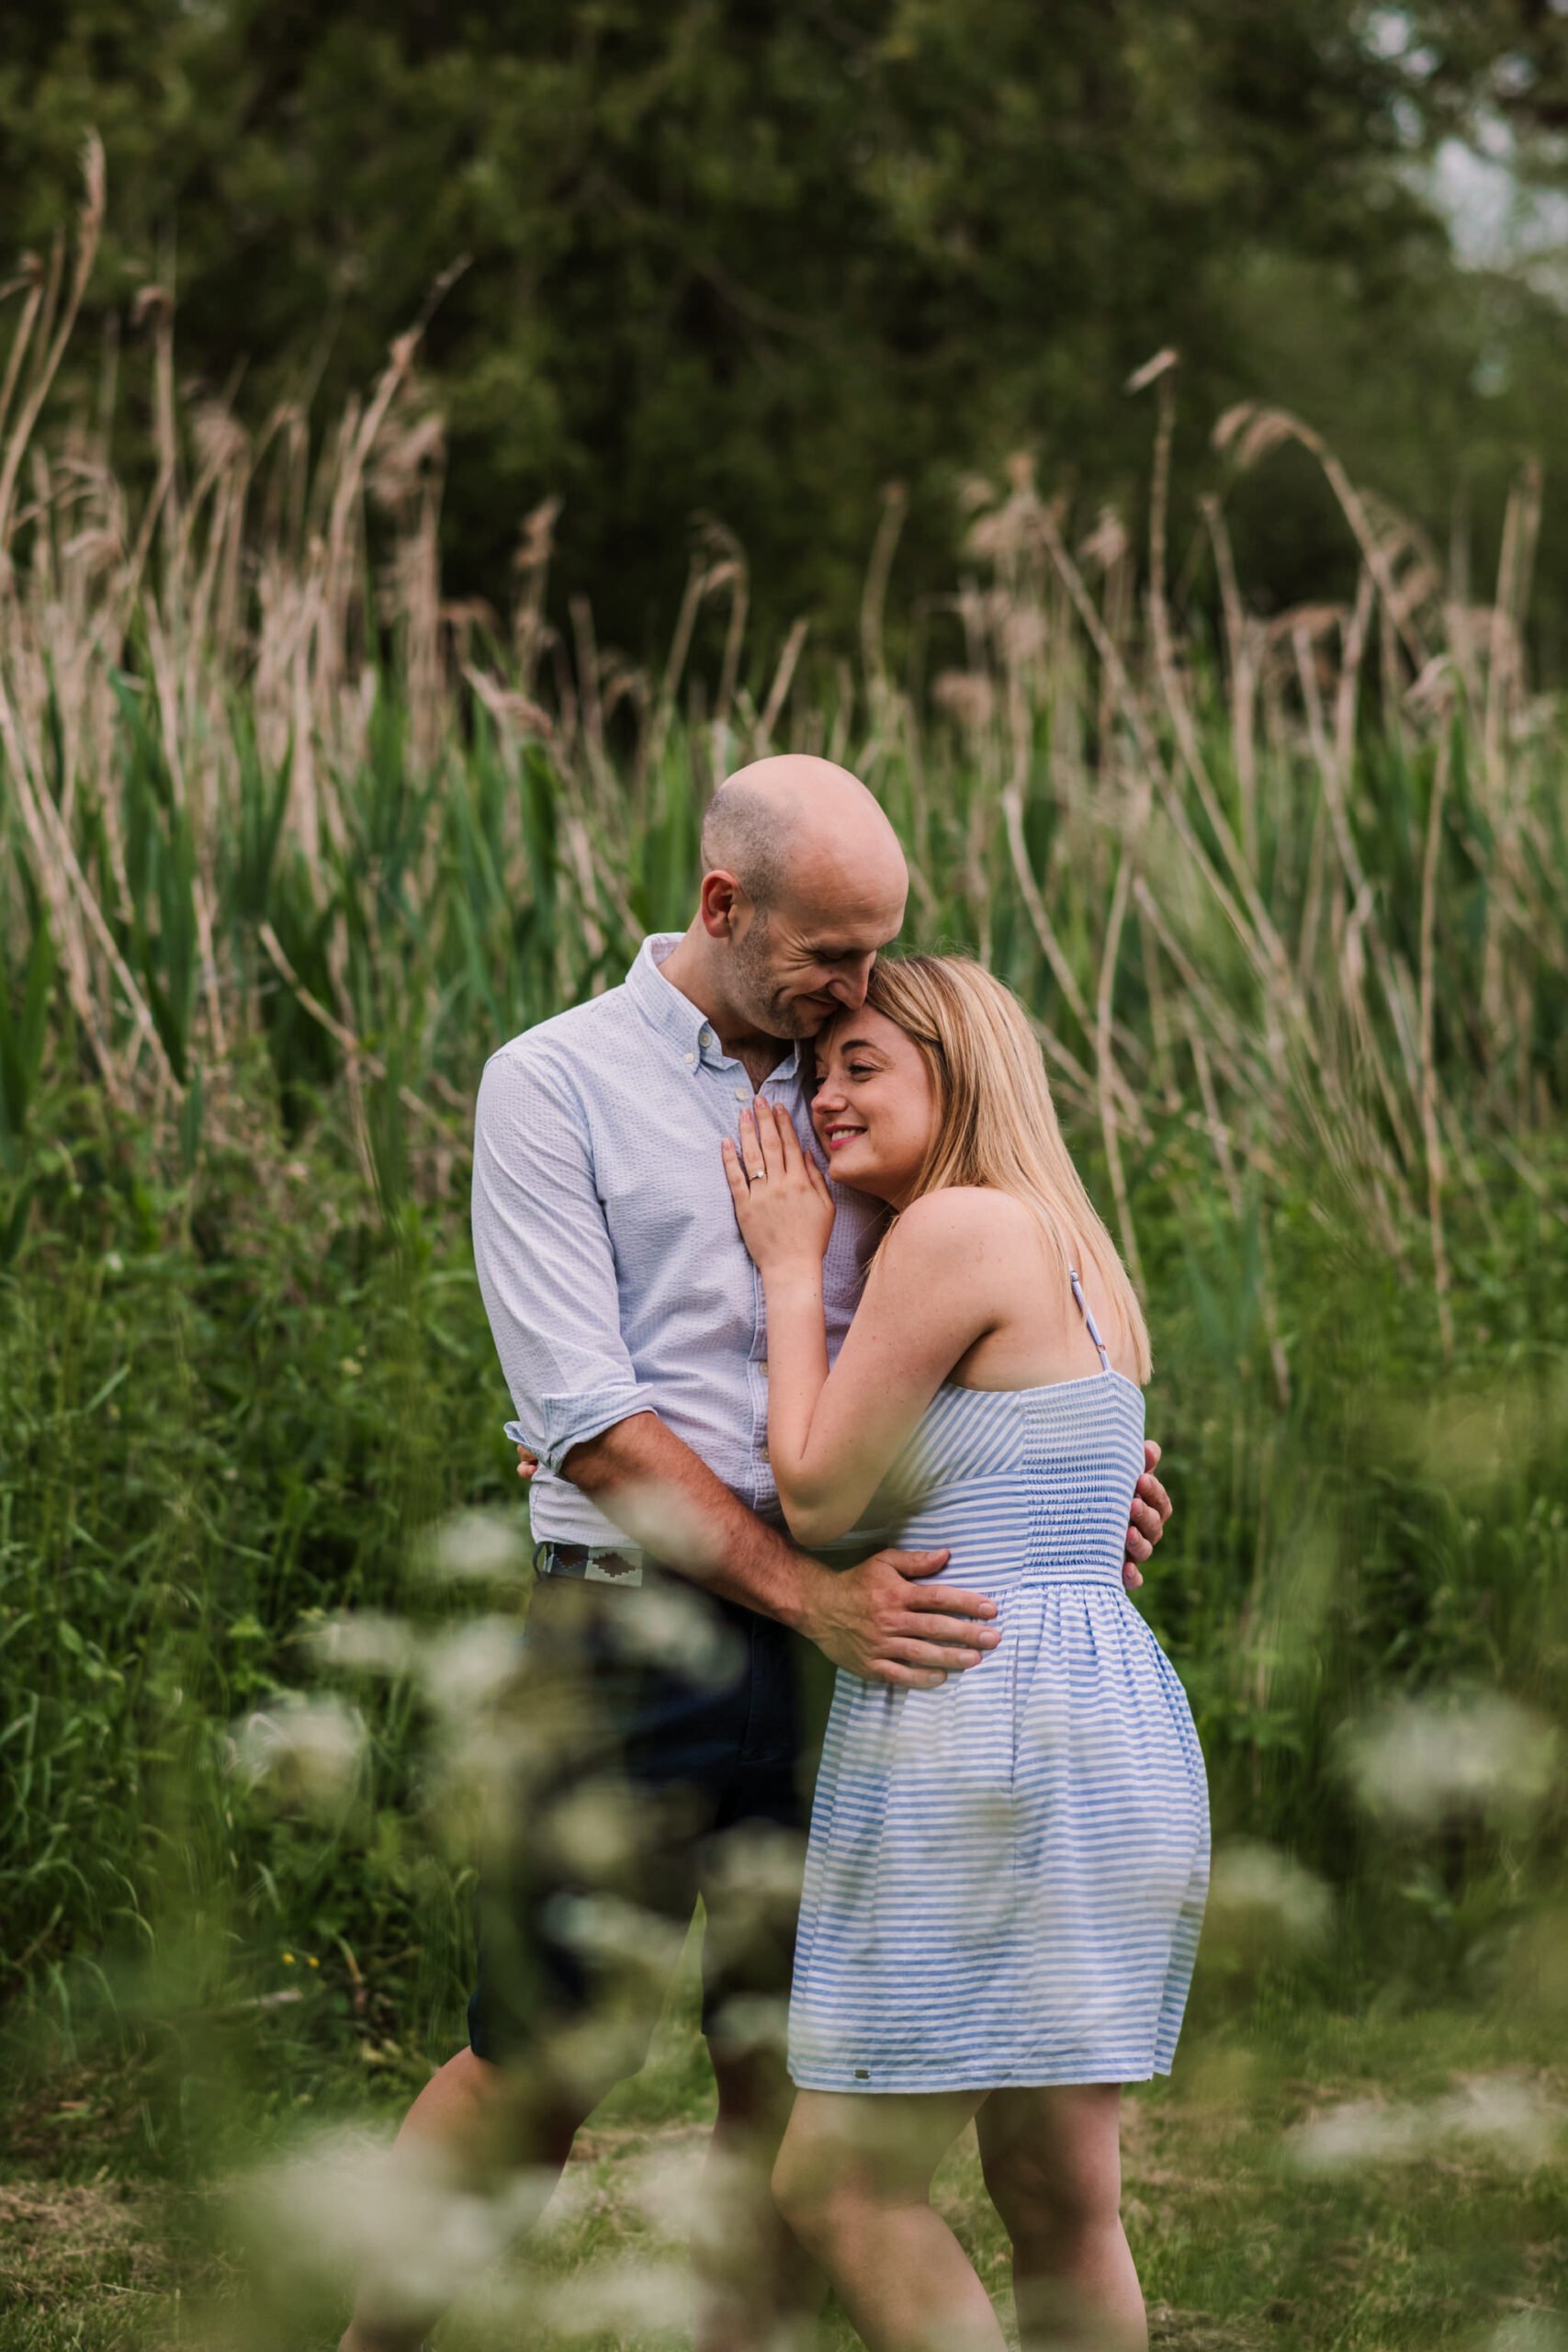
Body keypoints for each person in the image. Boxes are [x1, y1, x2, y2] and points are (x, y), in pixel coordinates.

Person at [340, 755, 1172, 2352]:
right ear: (725, 904)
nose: (856, 988)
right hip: (634, 1635)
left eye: (876, 956)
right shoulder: (555, 1082)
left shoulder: (865, 1076)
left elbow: (986, 1321)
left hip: (871, 1656)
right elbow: (584, 1414)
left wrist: (1075, 1488)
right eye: (831, 953)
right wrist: (809, 1591)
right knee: (540, 2059)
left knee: (787, 2076)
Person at [719, 954, 1208, 2352]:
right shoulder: (1075, 1244)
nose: (822, 1100)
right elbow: (1055, 1488)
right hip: (1103, 1715)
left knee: (841, 2184)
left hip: (986, 1720)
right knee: (1061, 2193)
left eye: (861, 1066)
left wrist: (787, 1256)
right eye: (817, 1074)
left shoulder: (951, 1236)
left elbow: (814, 1492)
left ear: (963, 1067)